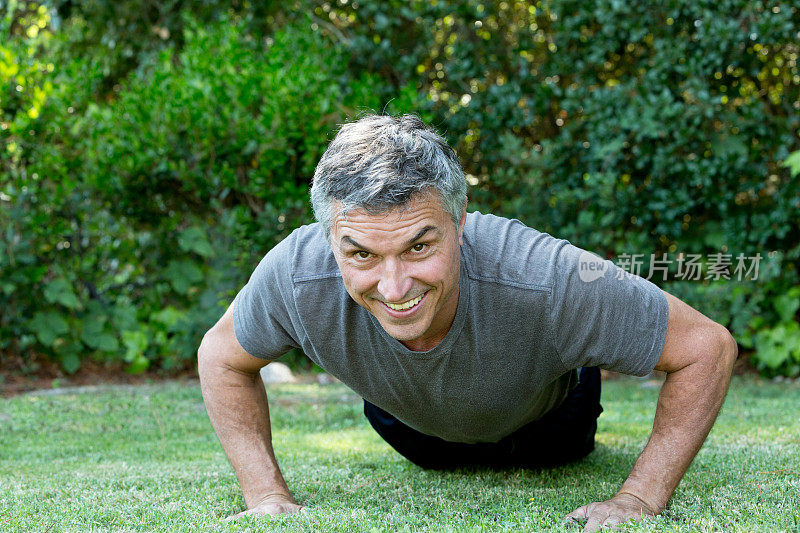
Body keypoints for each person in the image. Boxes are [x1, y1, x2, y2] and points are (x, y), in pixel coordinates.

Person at [197, 114, 737, 532]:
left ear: (459, 222)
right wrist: (267, 498)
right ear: (329, 236)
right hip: (412, 431)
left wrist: (637, 499)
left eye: (420, 246)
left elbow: (706, 347)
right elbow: (220, 357)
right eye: (360, 254)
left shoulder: (546, 275)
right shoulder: (296, 273)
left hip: (549, 429)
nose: (393, 286)